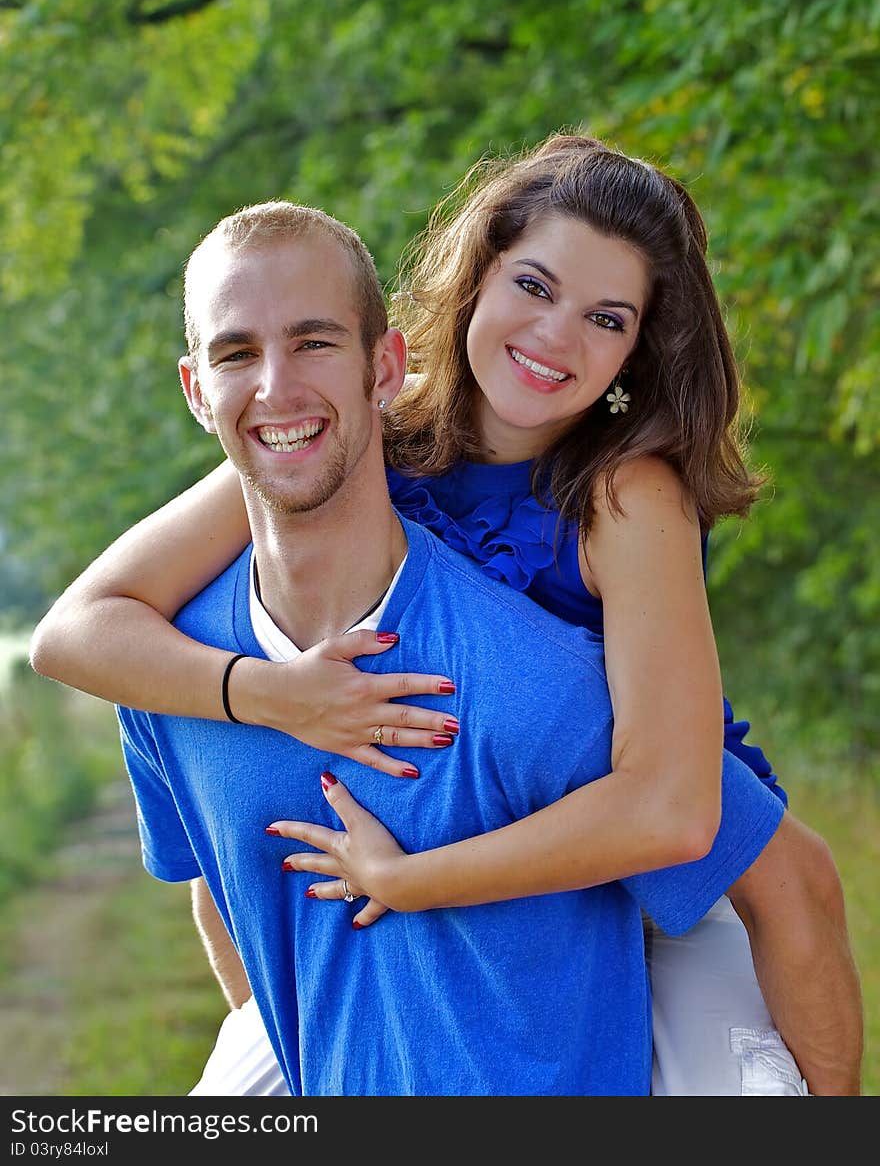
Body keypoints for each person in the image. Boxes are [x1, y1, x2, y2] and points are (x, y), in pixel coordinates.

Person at [29, 141, 863, 1094]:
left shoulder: (626, 495)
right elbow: (78, 628)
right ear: (477, 274)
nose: (555, 338)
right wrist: (276, 696)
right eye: (535, 286)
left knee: (771, 963)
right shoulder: (361, 421)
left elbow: (669, 808)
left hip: (634, 821)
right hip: (446, 806)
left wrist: (409, 883)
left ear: (637, 348)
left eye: (605, 318)